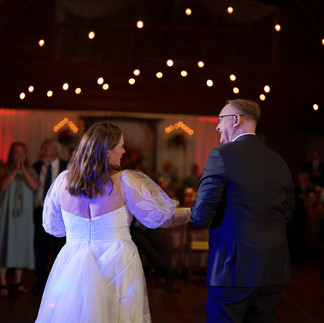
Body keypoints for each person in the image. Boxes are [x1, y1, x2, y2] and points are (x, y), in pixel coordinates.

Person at [35, 122, 190, 323]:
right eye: (121, 146)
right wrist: (192, 212)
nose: (124, 151)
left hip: (72, 261)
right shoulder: (124, 181)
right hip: (117, 263)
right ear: (107, 151)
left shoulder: (63, 181)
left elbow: (54, 229)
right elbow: (162, 218)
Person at [191, 99, 294, 322]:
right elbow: (287, 214)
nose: (217, 126)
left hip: (233, 269)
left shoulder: (222, 155)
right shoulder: (279, 161)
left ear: (236, 119)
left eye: (220, 120)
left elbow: (200, 216)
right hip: (272, 269)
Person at [0, 142, 38, 297]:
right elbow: (3, 186)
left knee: (22, 245)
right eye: (16, 152)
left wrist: (23, 170)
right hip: (6, 214)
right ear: (11, 154)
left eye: (23, 153)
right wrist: (16, 170)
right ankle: (2, 282)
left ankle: (17, 281)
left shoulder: (31, 171)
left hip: (24, 216)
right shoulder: (4, 169)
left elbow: (34, 186)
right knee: (4, 243)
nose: (20, 156)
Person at [33, 138, 68, 293]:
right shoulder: (36, 166)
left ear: (55, 150)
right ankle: (41, 283)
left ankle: (61, 285)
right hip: (39, 212)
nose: (42, 152)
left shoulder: (66, 167)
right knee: (40, 249)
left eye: (45, 148)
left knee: (60, 249)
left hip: (60, 214)